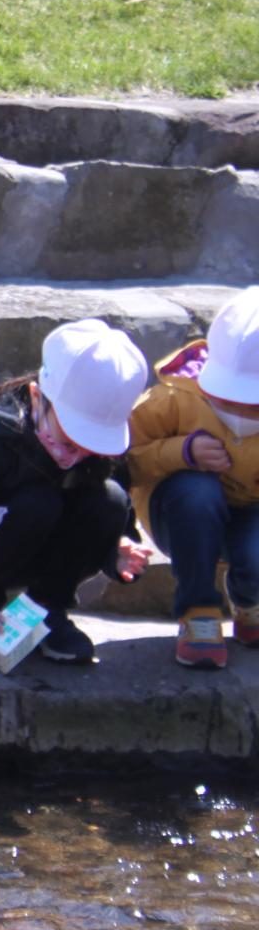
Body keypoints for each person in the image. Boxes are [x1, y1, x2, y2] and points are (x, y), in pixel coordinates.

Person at [0, 319, 151, 663]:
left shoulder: (101, 451)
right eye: (71, 437)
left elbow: (117, 509)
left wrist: (117, 548)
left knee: (109, 499)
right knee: (40, 502)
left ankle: (44, 610)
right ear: (38, 396)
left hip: (43, 551)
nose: (79, 453)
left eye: (93, 444)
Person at [127, 286, 259, 669]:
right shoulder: (173, 398)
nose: (240, 408)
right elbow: (121, 460)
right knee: (196, 491)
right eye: (229, 397)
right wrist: (180, 452)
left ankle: (250, 600)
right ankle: (199, 611)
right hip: (183, 514)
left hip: (251, 513)